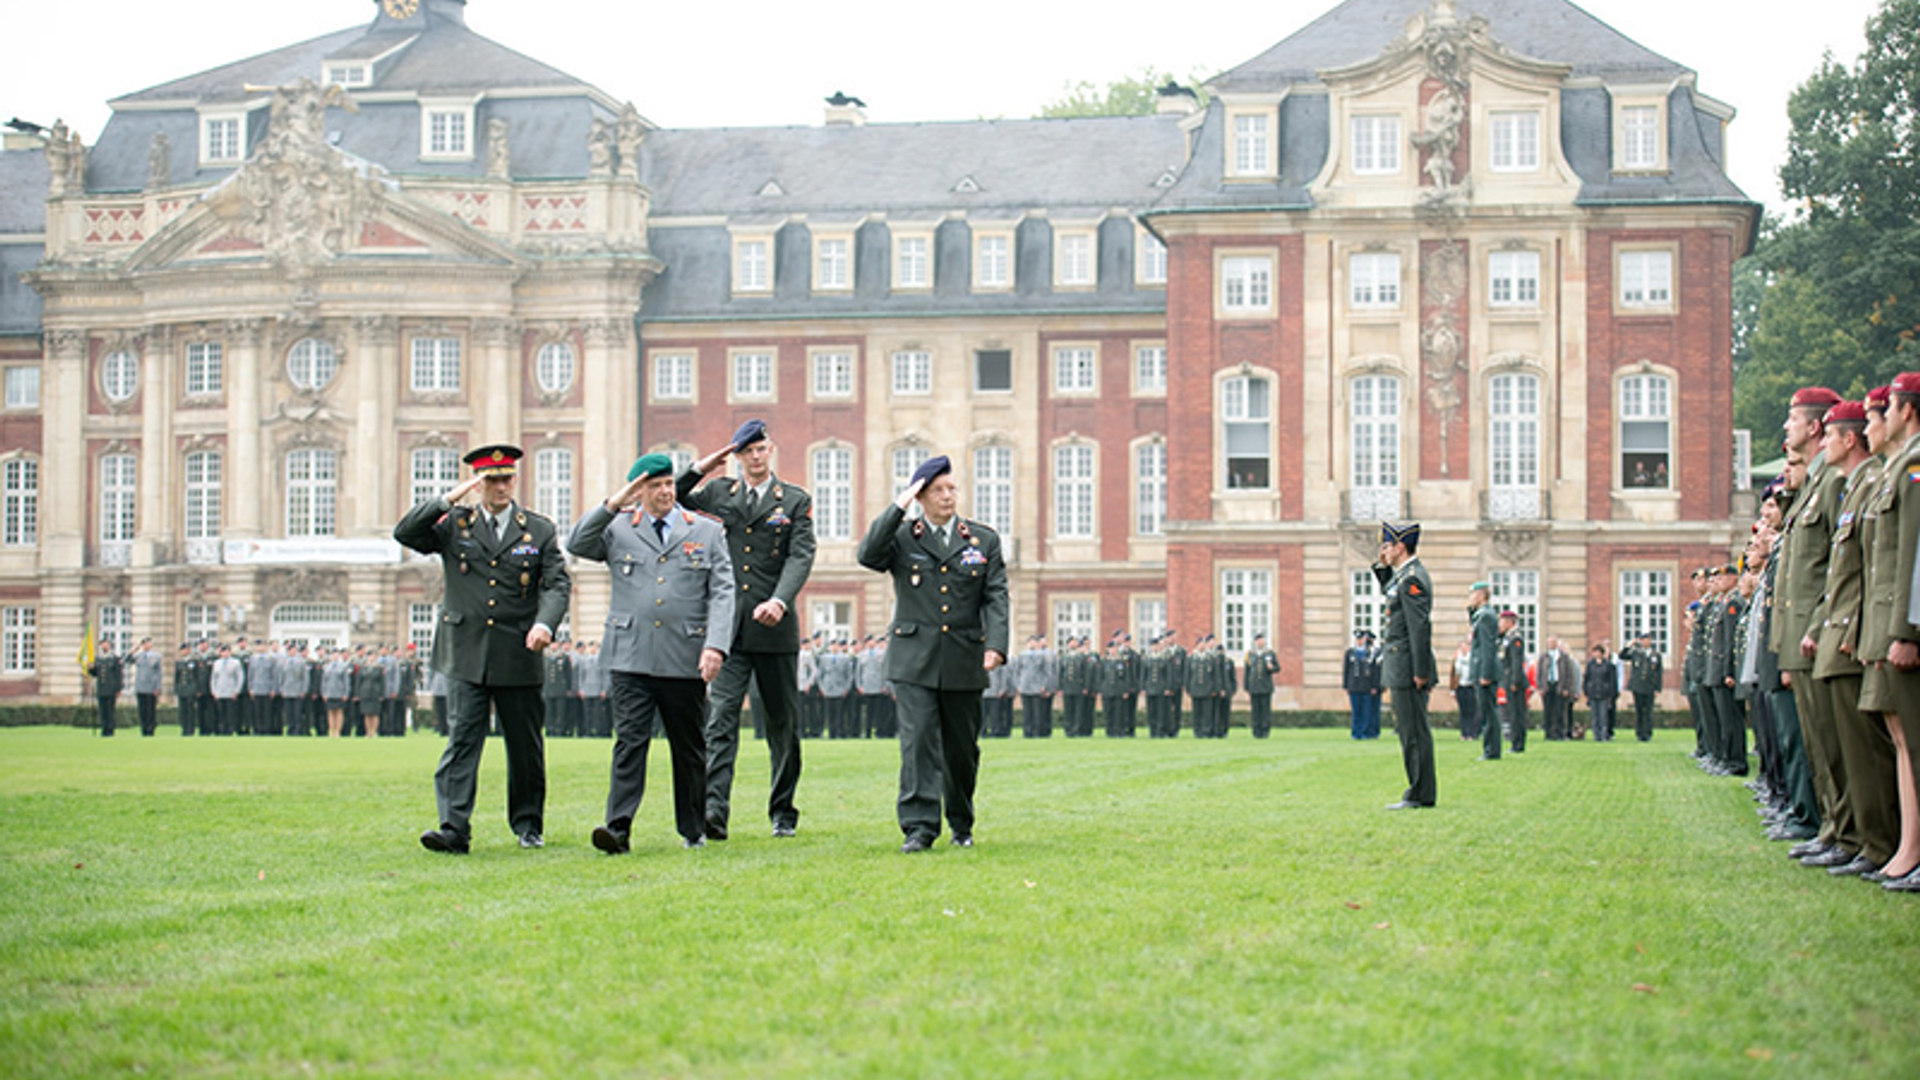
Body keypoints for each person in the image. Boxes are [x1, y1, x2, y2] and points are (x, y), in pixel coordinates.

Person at [395, 444, 570, 855]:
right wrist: (448, 499)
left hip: (518, 650)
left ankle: (528, 824)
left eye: (506, 478)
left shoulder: (538, 529)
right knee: (462, 740)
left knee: (524, 745)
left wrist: (545, 623)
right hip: (466, 651)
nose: (500, 487)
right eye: (491, 480)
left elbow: (557, 583)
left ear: (515, 480)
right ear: (478, 483)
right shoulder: (455, 523)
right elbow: (405, 532)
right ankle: (453, 828)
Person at [571, 453, 734, 853]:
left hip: (685, 654)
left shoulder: (707, 532)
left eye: (668, 484)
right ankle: (618, 828)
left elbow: (724, 592)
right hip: (630, 654)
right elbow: (577, 543)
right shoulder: (619, 528)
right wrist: (613, 503)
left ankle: (693, 828)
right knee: (630, 741)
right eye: (655, 485)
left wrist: (715, 645)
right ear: (639, 491)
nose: (665, 491)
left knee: (689, 745)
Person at [856, 454, 1009, 853]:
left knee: (962, 748)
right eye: (937, 490)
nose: (947, 496)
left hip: (963, 657)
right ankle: (919, 827)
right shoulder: (903, 537)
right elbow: (868, 554)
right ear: (921, 496)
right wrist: (899, 504)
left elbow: (996, 596)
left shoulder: (982, 540)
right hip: (913, 658)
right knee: (918, 741)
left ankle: (961, 820)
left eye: (951, 488)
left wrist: (995, 645)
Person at [675, 420, 816, 837]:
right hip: (729, 632)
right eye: (746, 451)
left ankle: (783, 812)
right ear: (736, 456)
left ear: (770, 450)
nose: (755, 457)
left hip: (774, 629)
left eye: (760, 449)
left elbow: (800, 556)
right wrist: (703, 465)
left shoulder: (792, 500)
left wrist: (780, 599)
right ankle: (714, 812)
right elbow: (677, 496)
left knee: (781, 725)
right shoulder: (720, 494)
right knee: (719, 721)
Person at [1376, 521, 1436, 809]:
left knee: (1413, 733)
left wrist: (1420, 671)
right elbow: (1390, 594)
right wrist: (1382, 566)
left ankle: (1420, 792)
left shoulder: (1412, 579)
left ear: (1400, 547)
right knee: (1410, 731)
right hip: (1402, 663)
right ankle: (1420, 790)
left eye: (1387, 546)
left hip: (1408, 665)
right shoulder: (1404, 576)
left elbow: (1419, 628)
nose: (1383, 551)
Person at [1467, 582, 1501, 760]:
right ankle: (1490, 748)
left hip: (1484, 670)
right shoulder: (1481, 615)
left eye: (1472, 595)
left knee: (1488, 712)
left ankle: (1492, 750)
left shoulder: (1486, 616)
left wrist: (1485, 674)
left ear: (1481, 595)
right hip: (1481, 668)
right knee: (1486, 711)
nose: (1470, 598)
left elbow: (1487, 647)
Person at [1622, 631, 1664, 743]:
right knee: (1639, 710)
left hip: (1649, 686)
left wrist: (1658, 688)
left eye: (1647, 639)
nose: (1645, 641)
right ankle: (1640, 733)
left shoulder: (1656, 655)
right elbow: (1622, 656)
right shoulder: (1636, 653)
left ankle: (1648, 733)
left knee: (1648, 711)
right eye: (1643, 639)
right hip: (1638, 686)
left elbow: (1659, 673)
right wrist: (1629, 645)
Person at [1012, 634, 1057, 738]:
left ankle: (1037, 731)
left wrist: (1044, 685)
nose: (1032, 644)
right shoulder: (1022, 655)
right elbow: (1016, 671)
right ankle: (1027, 731)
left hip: (1038, 687)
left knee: (1037, 712)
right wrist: (1018, 684)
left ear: (1037, 644)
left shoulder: (1042, 656)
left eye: (1034, 642)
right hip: (1025, 686)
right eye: (1030, 642)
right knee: (1027, 711)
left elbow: (1047, 672)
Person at [1499, 611, 1529, 754]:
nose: (1501, 624)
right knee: (1513, 713)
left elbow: (1517, 661)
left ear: (1510, 622)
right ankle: (1515, 742)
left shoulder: (1516, 638)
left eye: (1503, 622)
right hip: (1509, 678)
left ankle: (1518, 744)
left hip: (1515, 681)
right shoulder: (1507, 637)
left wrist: (1515, 681)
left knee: (1517, 714)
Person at [1243, 633, 1279, 738]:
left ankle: (1265, 730)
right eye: (1258, 640)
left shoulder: (1270, 654)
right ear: (1255, 642)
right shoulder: (1250, 654)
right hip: (1254, 686)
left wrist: (1272, 667)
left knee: (1265, 710)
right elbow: (1247, 671)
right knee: (1255, 710)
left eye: (1262, 640)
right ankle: (1256, 730)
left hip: (1265, 686)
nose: (1260, 642)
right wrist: (1247, 686)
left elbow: (1277, 668)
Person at [1342, 631, 1377, 740]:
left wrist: (1374, 686)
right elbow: (1346, 670)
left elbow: (1374, 671)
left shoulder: (1370, 653)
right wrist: (1346, 686)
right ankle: (1356, 732)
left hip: (1366, 686)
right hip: (1354, 686)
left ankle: (1365, 732)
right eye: (1357, 639)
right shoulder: (1350, 653)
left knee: (1366, 711)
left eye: (1361, 639)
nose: (1359, 641)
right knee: (1356, 711)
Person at [88, 637, 125, 737]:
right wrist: (91, 669)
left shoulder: (114, 658)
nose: (104, 646)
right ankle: (104, 729)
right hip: (101, 689)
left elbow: (118, 675)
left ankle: (110, 729)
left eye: (105, 644)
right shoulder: (98, 659)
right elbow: (96, 674)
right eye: (102, 644)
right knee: (103, 711)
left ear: (109, 645)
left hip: (111, 689)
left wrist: (118, 689)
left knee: (110, 711)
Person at [1584, 644, 1619, 742]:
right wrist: (1587, 692)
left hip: (1604, 693)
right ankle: (1596, 735)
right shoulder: (1590, 665)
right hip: (1593, 693)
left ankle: (1604, 735)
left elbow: (1612, 681)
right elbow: (1587, 679)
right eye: (1595, 652)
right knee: (1595, 716)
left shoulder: (1609, 666)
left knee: (1603, 716)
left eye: (1598, 652)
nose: (1596, 654)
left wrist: (1611, 695)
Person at [209, 643, 244, 736]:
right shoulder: (217, 663)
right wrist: (214, 691)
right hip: (220, 692)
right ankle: (222, 729)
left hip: (231, 691)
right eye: (223, 652)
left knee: (230, 713)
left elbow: (240, 677)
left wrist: (237, 690)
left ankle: (230, 729)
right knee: (221, 713)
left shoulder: (235, 663)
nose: (225, 653)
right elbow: (213, 678)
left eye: (227, 651)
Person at [130, 638, 161, 737]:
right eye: (143, 644)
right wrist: (133, 651)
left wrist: (158, 687)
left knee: (151, 711)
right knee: (142, 710)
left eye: (147, 644)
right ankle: (143, 729)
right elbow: (125, 661)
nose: (145, 646)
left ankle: (151, 729)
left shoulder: (156, 657)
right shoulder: (138, 656)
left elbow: (159, 673)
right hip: (140, 686)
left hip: (151, 687)